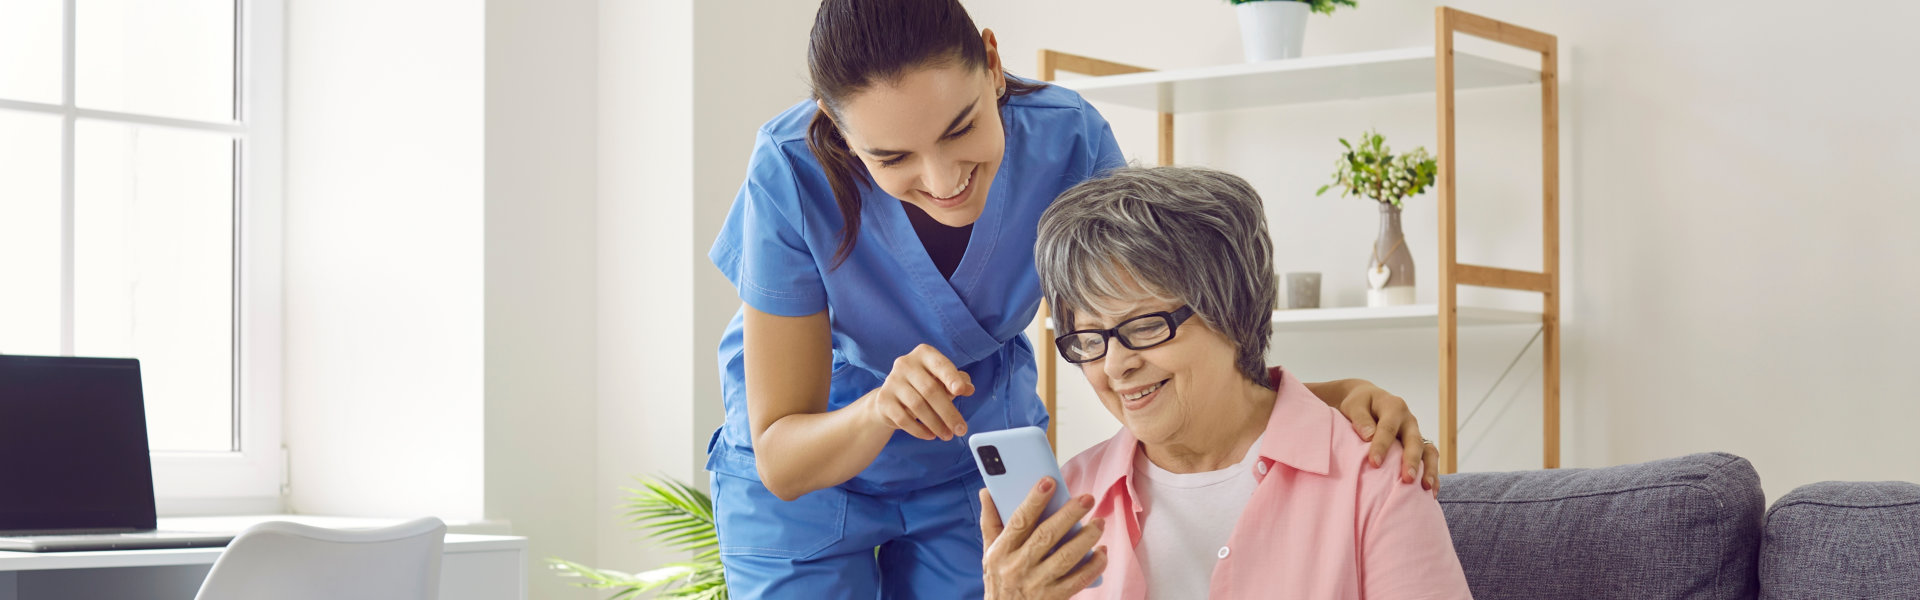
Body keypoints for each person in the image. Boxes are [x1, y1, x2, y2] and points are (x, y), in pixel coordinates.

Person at [708, 1, 1442, 597]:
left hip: (979, 456)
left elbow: (1152, 330)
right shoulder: (791, 171)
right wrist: (880, 407)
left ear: (993, 64)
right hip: (813, 474)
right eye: (893, 158)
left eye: (961, 127)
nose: (942, 180)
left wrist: (1314, 404)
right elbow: (781, 457)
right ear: (839, 131)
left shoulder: (1066, 138)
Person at [980, 166, 1471, 600]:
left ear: (1231, 313)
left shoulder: (1373, 478)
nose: (1114, 366)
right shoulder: (1068, 502)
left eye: (1146, 326)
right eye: (1089, 339)